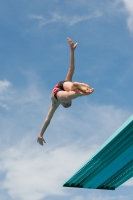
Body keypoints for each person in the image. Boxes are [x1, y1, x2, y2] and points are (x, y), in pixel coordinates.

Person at [37, 37, 94, 145]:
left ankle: (80, 92)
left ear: (62, 104)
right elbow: (72, 68)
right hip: (65, 85)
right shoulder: (65, 97)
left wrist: (41, 134)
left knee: (69, 93)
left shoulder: (55, 104)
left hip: (58, 91)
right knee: (71, 88)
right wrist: (72, 50)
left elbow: (47, 120)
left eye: (66, 105)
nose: (67, 104)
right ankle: (80, 90)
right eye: (69, 104)